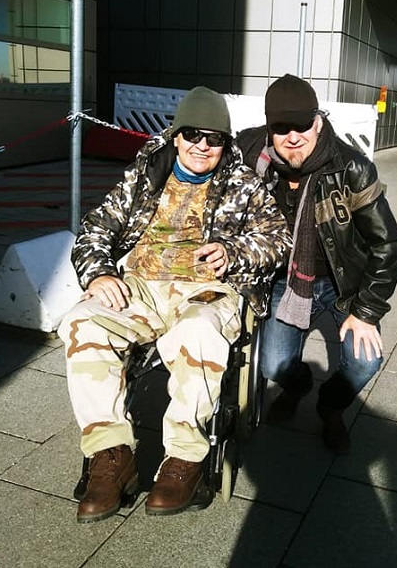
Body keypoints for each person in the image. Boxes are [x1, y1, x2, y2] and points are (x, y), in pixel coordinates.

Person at [58, 86, 291, 522]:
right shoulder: (145, 173)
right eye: (192, 134)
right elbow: (95, 228)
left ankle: (185, 457)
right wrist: (99, 273)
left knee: (197, 330)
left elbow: (279, 240)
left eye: (214, 138)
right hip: (142, 286)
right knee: (82, 321)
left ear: (225, 142)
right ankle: (111, 456)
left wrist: (233, 252)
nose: (202, 145)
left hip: (209, 290)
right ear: (176, 136)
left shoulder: (244, 184)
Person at [237, 74, 397, 454]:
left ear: (317, 121)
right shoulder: (250, 153)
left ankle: (331, 407)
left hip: (344, 283)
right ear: (269, 128)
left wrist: (365, 312)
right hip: (286, 280)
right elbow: (197, 147)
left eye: (302, 125)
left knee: (364, 362)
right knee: (273, 366)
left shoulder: (352, 168)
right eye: (281, 128)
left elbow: (389, 246)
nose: (293, 137)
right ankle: (297, 387)